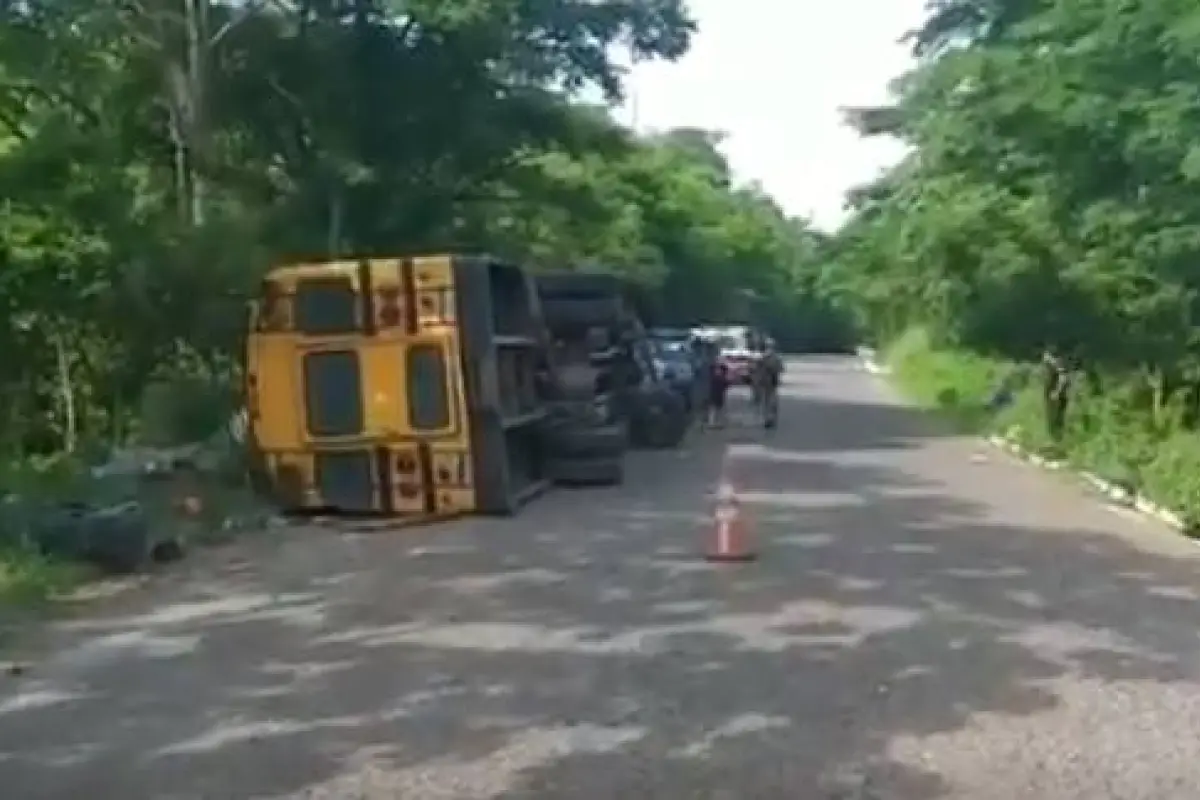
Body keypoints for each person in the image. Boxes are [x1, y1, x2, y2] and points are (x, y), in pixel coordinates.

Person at [753, 341, 783, 427]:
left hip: (766, 381)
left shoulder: (762, 357)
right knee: (771, 400)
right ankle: (770, 418)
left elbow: (757, 370)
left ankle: (768, 418)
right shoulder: (777, 357)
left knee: (767, 401)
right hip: (772, 381)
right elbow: (781, 368)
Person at [707, 357, 731, 428]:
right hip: (716, 393)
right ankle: (714, 422)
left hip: (718, 393)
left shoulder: (717, 375)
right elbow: (726, 384)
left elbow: (726, 384)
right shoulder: (716, 375)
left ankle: (715, 422)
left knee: (717, 408)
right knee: (715, 408)